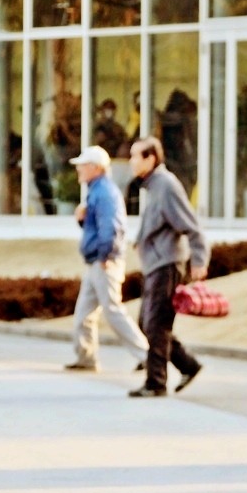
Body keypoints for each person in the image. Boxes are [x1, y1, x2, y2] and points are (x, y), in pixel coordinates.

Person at [128, 135, 208, 398]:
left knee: (156, 324)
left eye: (134, 156)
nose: (130, 162)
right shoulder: (152, 186)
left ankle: (156, 383)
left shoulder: (166, 185)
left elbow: (191, 225)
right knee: (147, 322)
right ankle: (188, 364)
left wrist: (199, 259)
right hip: (155, 265)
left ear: (150, 158)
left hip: (167, 264)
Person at [64, 145, 149, 373]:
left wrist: (106, 255)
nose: (79, 169)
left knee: (113, 310)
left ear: (95, 167)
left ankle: (146, 355)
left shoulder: (104, 192)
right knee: (84, 313)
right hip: (96, 261)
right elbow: (97, 227)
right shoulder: (97, 191)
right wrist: (82, 220)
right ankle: (86, 358)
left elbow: (111, 228)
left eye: (82, 165)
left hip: (104, 261)